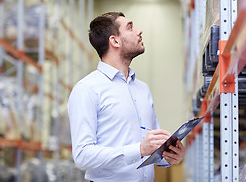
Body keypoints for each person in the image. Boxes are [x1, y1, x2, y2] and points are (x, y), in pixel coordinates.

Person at [67, 12, 185, 182]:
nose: (139, 31)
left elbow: (152, 149)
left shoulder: (142, 89)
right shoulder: (87, 89)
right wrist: (139, 149)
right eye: (130, 27)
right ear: (114, 41)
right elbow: (83, 155)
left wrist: (168, 156)